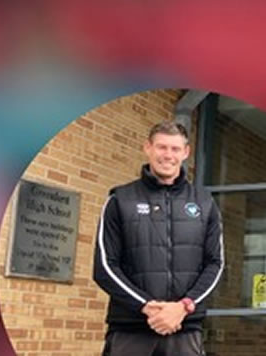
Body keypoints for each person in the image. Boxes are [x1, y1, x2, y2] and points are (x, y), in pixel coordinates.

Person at [93, 121, 224, 356]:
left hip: (184, 331)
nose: (168, 155)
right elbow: (104, 266)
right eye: (162, 147)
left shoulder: (205, 203)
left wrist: (183, 307)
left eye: (175, 149)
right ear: (148, 148)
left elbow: (215, 263)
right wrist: (146, 307)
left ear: (186, 152)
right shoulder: (120, 200)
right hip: (129, 332)